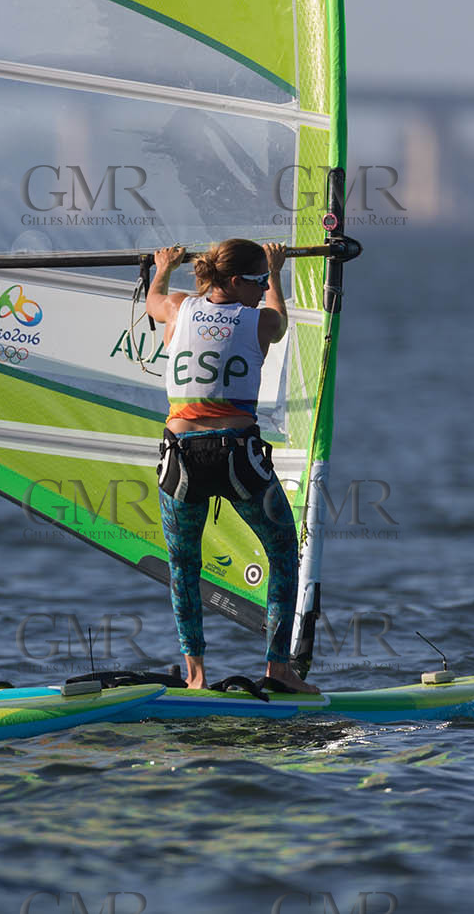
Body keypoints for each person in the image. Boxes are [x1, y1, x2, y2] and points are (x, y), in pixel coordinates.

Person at [146, 238, 318, 694]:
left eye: (267, 283)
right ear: (238, 282)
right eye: (258, 281)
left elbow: (153, 301)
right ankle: (279, 670)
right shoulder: (259, 321)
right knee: (283, 552)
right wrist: (280, 272)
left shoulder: (179, 308)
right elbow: (280, 321)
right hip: (236, 458)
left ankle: (195, 675)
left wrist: (163, 267)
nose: (263, 290)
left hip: (180, 460)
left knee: (183, 565)